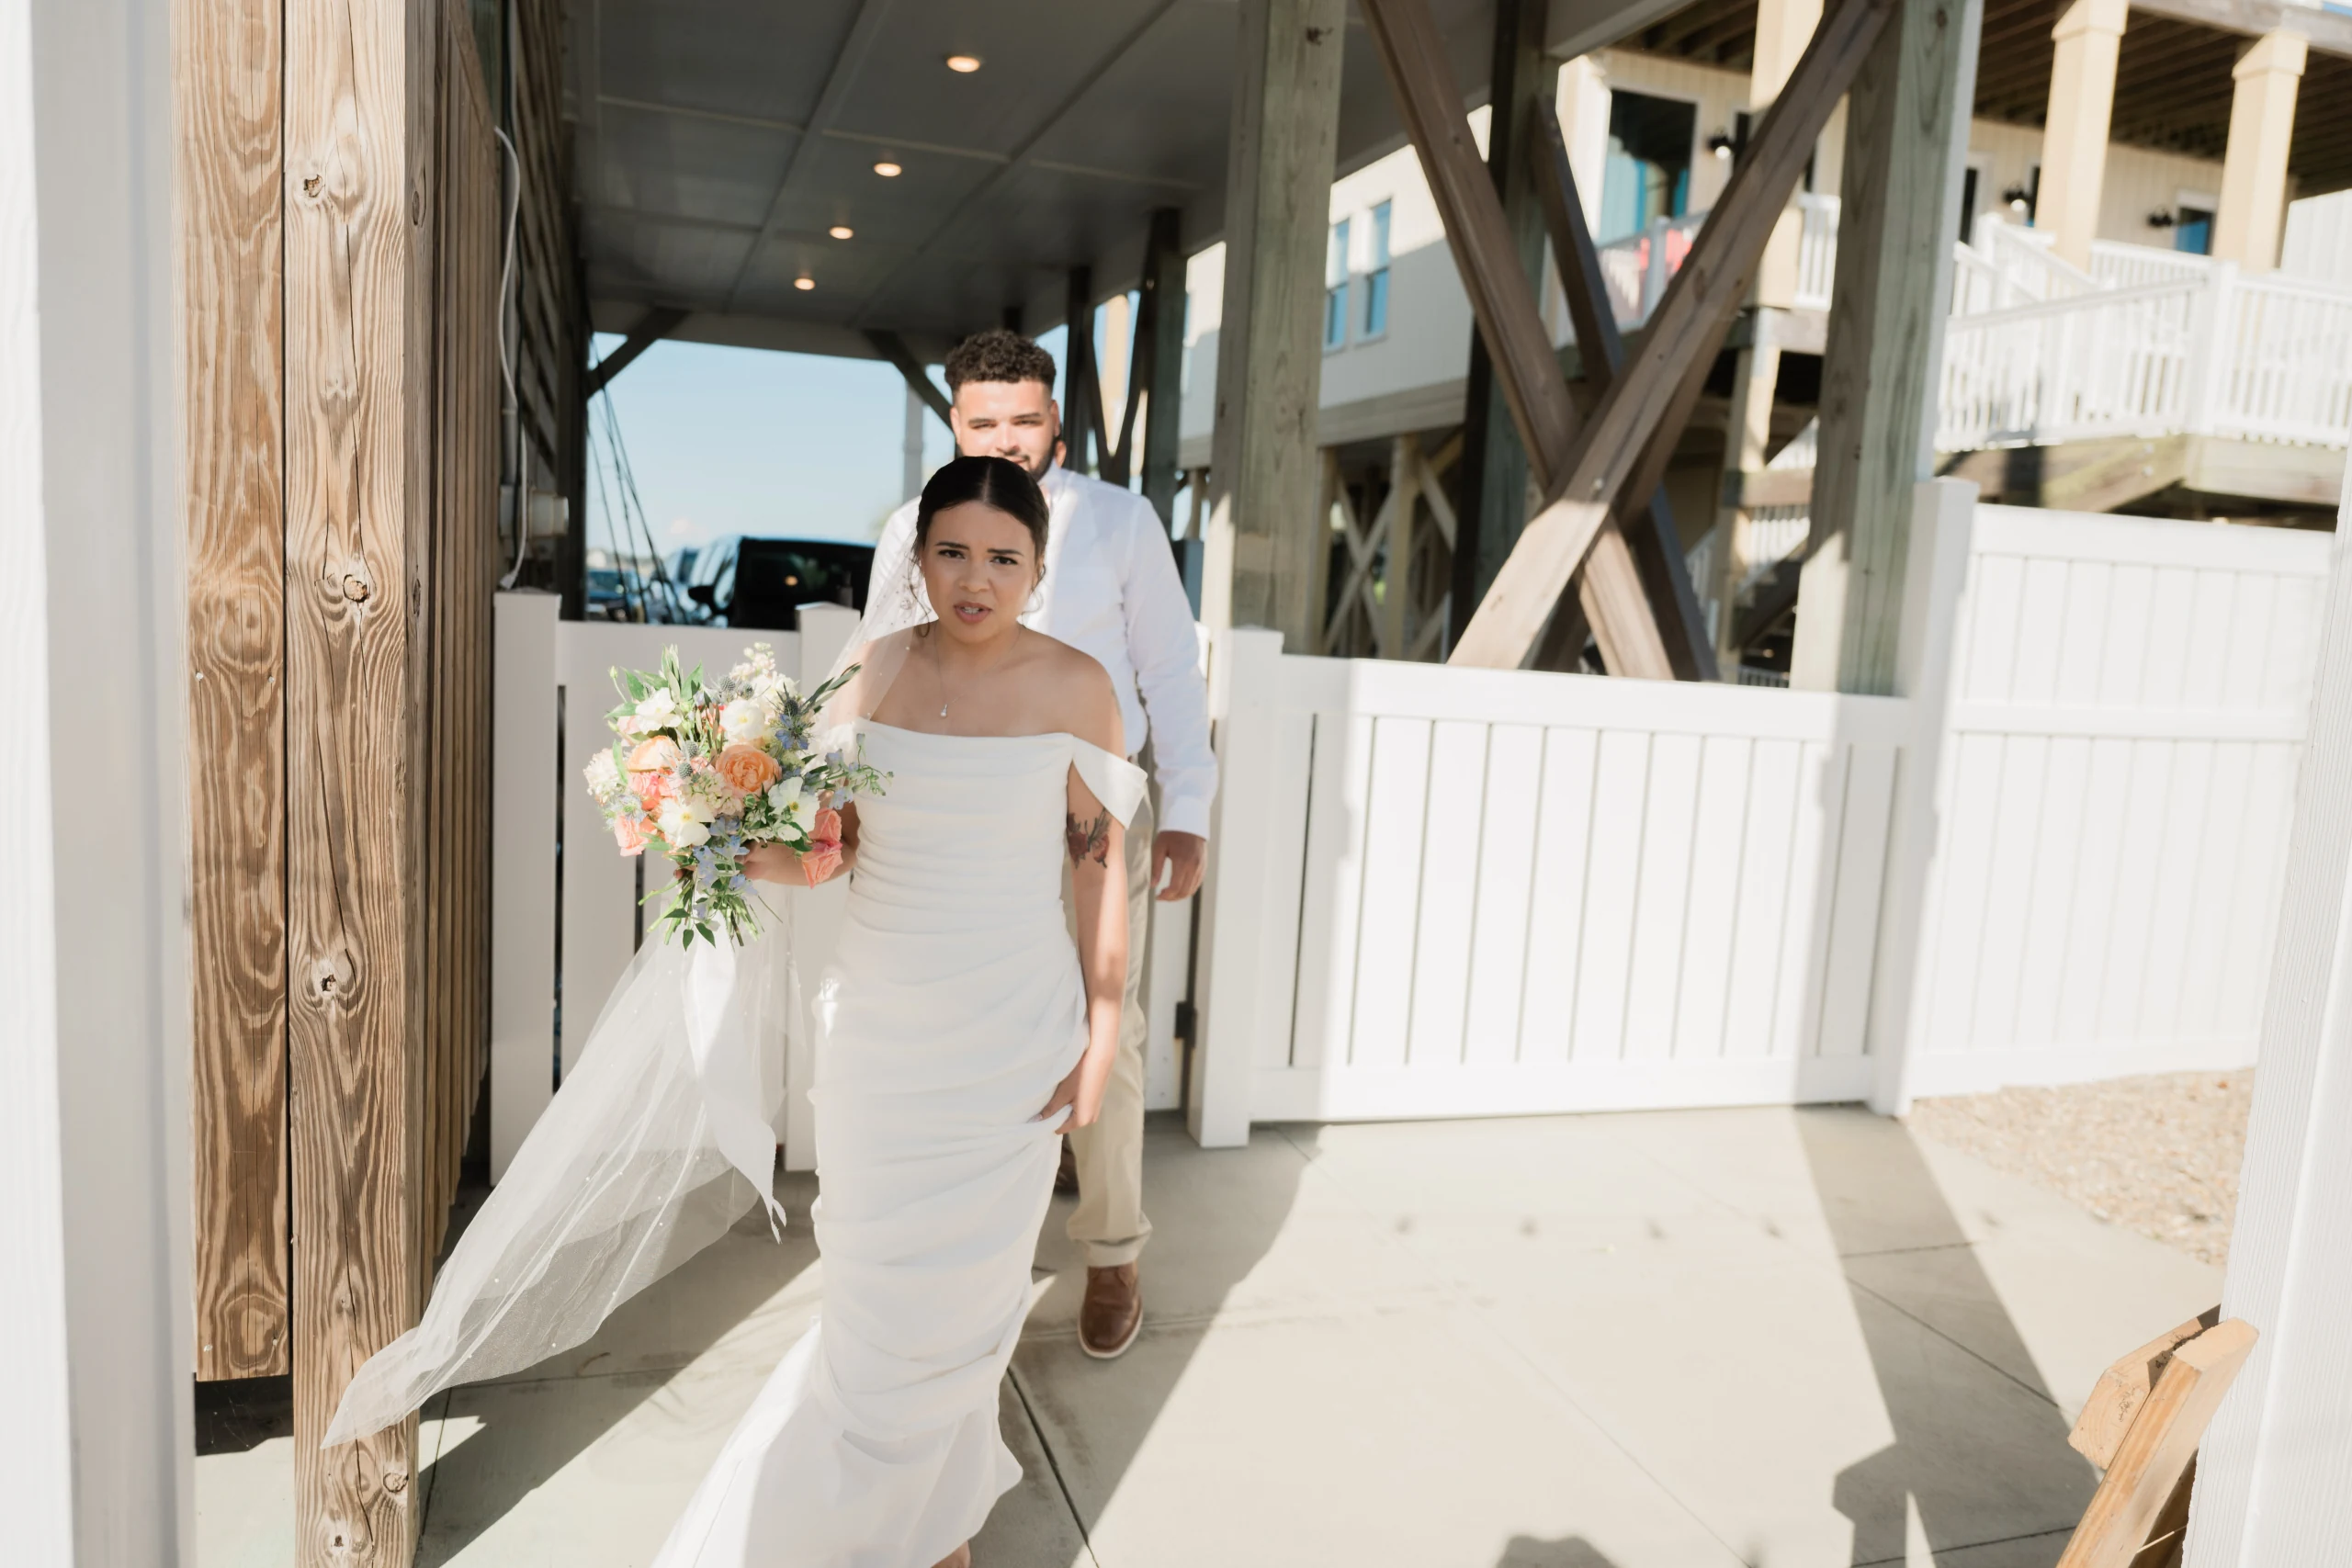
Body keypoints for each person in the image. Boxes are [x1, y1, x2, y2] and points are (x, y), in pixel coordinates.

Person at [873, 329, 1215, 1359]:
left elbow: (1168, 668)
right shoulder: (911, 526)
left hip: (1094, 805)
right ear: (955, 423)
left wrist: (1188, 802)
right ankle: (972, 1241)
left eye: (1025, 419)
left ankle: (1112, 1253)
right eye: (985, 422)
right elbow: (885, 665)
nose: (1007, 438)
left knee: (1112, 1029)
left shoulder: (1118, 520)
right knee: (968, 1013)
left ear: (1053, 420)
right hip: (962, 813)